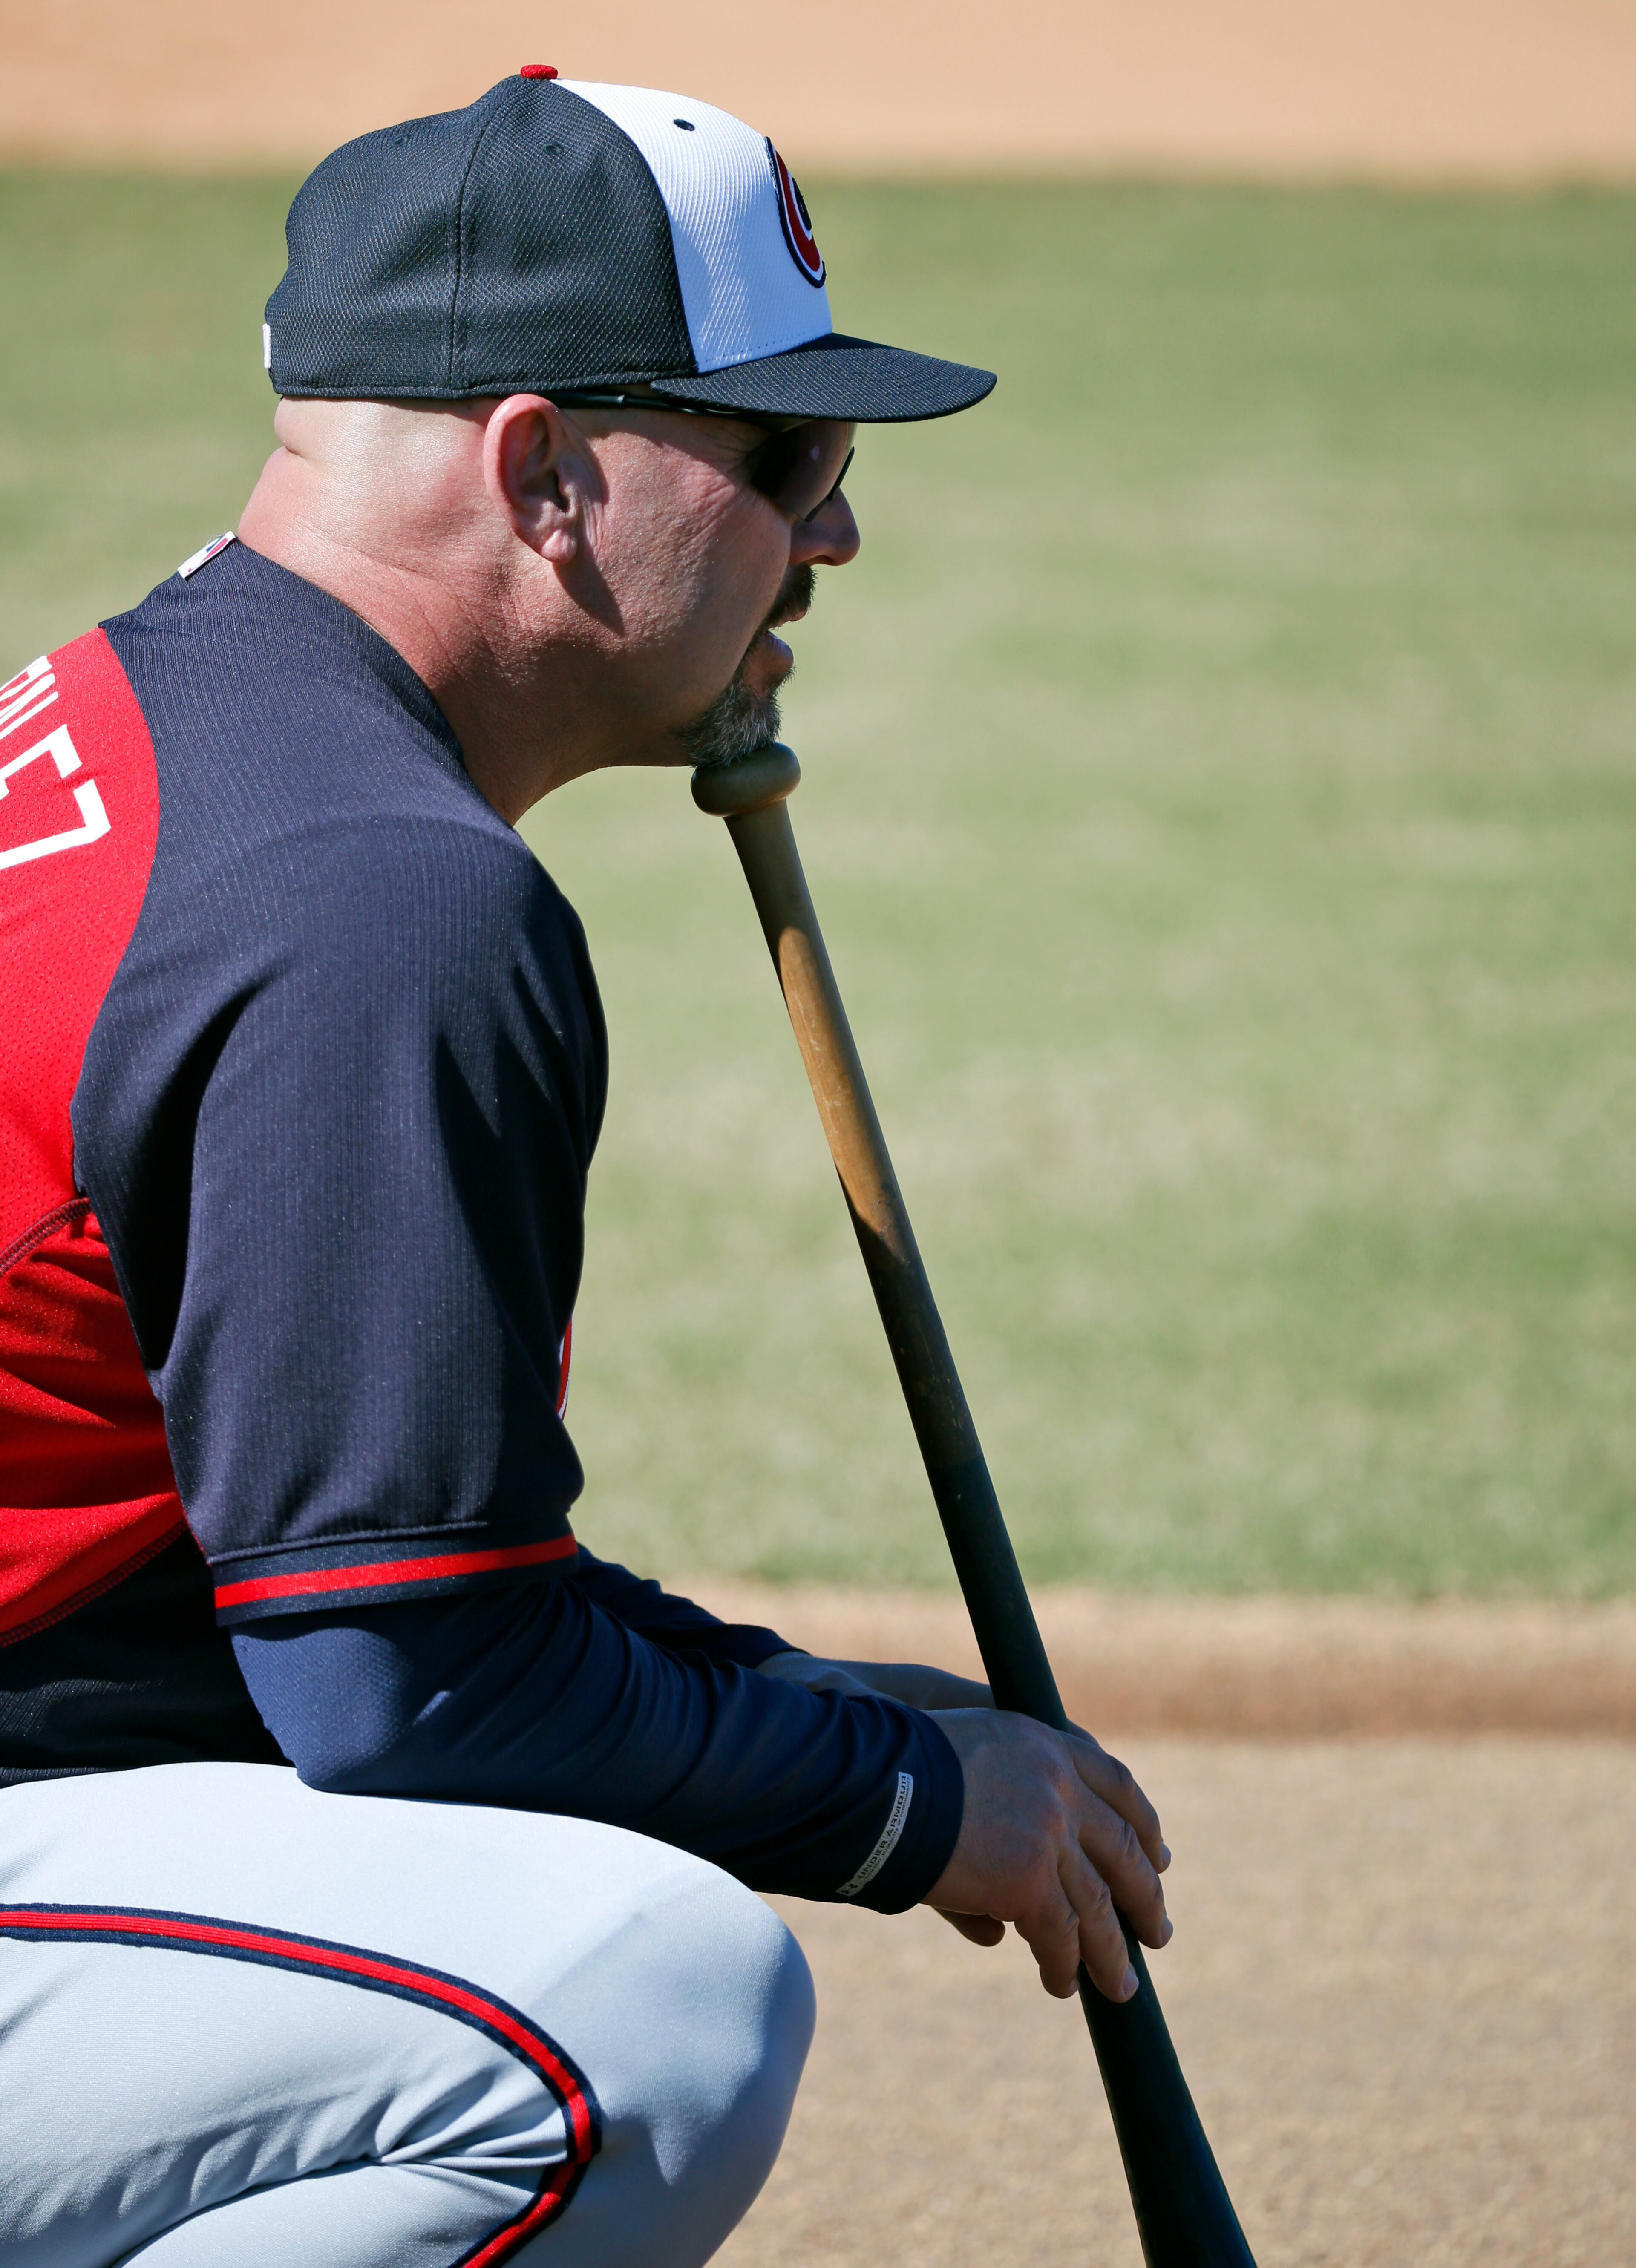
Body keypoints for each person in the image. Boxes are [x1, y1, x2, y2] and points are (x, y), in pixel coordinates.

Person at [0, 71, 1172, 2268]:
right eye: (786, 457)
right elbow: (399, 1687)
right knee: (639, 2010)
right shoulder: (366, 896)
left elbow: (303, 1606)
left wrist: (799, 1705)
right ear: (543, 469)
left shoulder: (163, 727)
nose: (835, 535)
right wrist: (905, 1802)